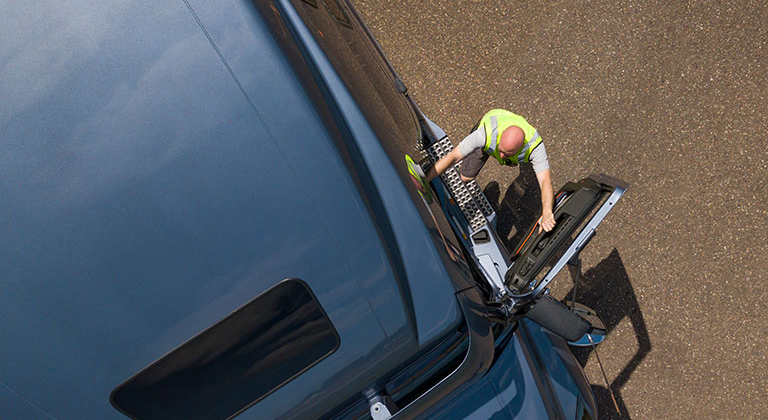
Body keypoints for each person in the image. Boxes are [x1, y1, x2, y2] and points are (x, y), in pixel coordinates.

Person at [425, 109, 556, 233]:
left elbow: (545, 181)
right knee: (465, 177)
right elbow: (453, 157)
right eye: (500, 150)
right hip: (488, 135)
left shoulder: (535, 147)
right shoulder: (485, 133)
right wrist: (425, 180)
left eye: (507, 153)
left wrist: (547, 212)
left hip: (509, 144)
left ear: (521, 147)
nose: (501, 156)